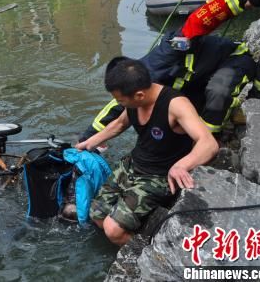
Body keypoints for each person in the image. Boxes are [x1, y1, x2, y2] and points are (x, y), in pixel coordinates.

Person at [76, 57, 219, 246]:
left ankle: (149, 255)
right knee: (96, 214)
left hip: (159, 176)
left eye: (120, 100)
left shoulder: (175, 105)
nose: (119, 103)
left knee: (113, 230)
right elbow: (119, 124)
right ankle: (134, 233)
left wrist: (181, 165)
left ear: (140, 95)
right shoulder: (133, 103)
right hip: (133, 165)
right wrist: (89, 143)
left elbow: (209, 143)